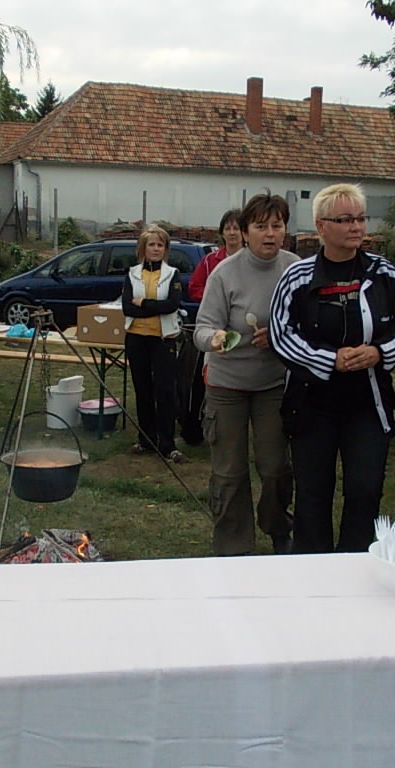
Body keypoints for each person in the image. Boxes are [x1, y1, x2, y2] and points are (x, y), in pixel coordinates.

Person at [269, 183, 395, 553]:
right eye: (345, 219)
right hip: (312, 405)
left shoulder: (383, 272)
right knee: (313, 493)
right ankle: (312, 565)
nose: (356, 226)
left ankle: (357, 562)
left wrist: (379, 352)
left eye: (361, 218)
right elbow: (280, 334)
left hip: (367, 403)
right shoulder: (297, 276)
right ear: (321, 226)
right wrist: (329, 359)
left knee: (365, 490)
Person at [194, 194, 297, 555]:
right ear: (245, 231)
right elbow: (201, 329)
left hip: (273, 384)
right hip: (227, 384)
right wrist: (216, 338)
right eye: (261, 226)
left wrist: (280, 337)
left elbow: (306, 325)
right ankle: (234, 547)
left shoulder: (296, 270)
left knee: (275, 467)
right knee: (229, 471)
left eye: (277, 226)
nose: (270, 234)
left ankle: (278, 526)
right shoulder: (224, 273)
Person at [179, 209, 243, 445]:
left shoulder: (252, 260)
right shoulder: (209, 261)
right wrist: (215, 298)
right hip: (214, 330)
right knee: (201, 379)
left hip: (243, 331)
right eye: (228, 228)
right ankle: (194, 429)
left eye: (236, 228)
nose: (232, 233)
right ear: (222, 232)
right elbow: (194, 288)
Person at [122, 225, 185, 462]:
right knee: (143, 390)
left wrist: (144, 303)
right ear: (143, 248)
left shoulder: (172, 274)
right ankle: (146, 439)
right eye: (152, 245)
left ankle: (167, 444)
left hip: (162, 339)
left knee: (165, 391)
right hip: (136, 338)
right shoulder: (132, 274)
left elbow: (172, 305)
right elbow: (127, 308)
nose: (156, 249)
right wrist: (155, 307)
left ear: (165, 249)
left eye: (160, 245)